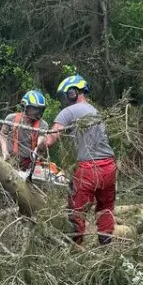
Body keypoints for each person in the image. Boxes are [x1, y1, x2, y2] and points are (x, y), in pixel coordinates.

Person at [43, 74, 116, 244]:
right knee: (105, 208)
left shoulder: (69, 111)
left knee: (77, 209)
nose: (64, 100)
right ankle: (106, 245)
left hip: (90, 168)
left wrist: (39, 145)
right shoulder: (94, 111)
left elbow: (50, 139)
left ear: (73, 93)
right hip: (109, 166)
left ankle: (75, 247)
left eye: (65, 95)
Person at [0, 89, 49, 173]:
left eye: (39, 109)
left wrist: (39, 149)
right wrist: (4, 151)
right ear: (25, 107)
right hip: (11, 160)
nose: (37, 112)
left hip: (30, 163)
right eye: (34, 109)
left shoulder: (43, 125)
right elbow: (3, 134)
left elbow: (41, 139)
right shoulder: (11, 118)